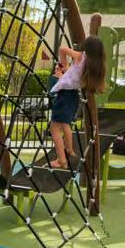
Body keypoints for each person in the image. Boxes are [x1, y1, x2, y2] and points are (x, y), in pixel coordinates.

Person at [49, 36, 107, 168]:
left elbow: (62, 49)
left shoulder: (81, 56)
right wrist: (65, 71)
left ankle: (61, 160)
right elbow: (73, 76)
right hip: (73, 96)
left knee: (54, 128)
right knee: (65, 124)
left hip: (64, 96)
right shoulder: (93, 65)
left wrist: (64, 65)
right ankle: (69, 150)